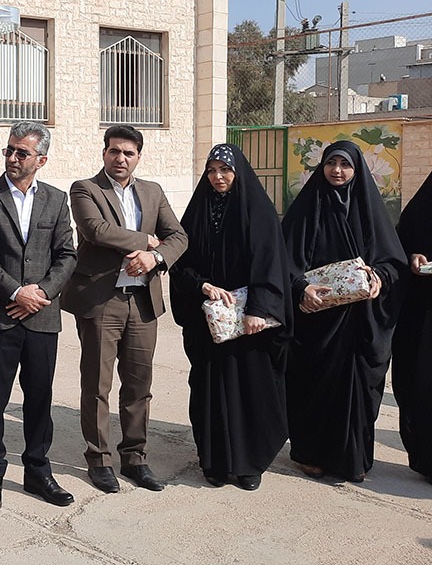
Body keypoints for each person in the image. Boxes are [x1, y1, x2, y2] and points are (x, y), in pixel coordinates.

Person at [61, 124, 188, 494]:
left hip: (142, 302)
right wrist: (145, 240)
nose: (120, 158)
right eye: (114, 151)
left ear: (138, 157)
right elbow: (96, 229)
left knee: (138, 385)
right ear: (104, 153)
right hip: (102, 301)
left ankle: (134, 458)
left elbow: (179, 236)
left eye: (128, 153)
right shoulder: (85, 189)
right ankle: (99, 460)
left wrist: (154, 258)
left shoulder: (153, 191)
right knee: (97, 385)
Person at [0, 122, 77, 510]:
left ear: (40, 160)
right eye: (9, 150)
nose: (12, 157)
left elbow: (67, 254)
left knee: (40, 398)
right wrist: (16, 291)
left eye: (21, 152)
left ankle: (37, 471)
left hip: (42, 317)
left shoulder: (56, 200)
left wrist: (41, 293)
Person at [281, 140, 405, 483]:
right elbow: (282, 260)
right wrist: (299, 288)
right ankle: (310, 454)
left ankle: (354, 458)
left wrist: (378, 277)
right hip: (317, 320)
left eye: (345, 165)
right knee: (312, 387)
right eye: (331, 163)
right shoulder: (307, 209)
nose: (337, 170)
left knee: (358, 390)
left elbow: (393, 263)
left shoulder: (370, 211)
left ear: (357, 170)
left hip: (359, 324)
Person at [169, 144, 290, 491]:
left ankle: (250, 464)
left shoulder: (258, 211)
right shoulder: (198, 211)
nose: (218, 177)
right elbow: (181, 262)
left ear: (239, 173)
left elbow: (271, 263)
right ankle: (215, 461)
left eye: (225, 170)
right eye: (211, 171)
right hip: (208, 321)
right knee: (208, 389)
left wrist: (259, 310)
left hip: (249, 325)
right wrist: (202, 285)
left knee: (251, 389)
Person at [394, 169, 432, 483]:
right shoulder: (421, 209)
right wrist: (412, 256)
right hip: (422, 315)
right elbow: (397, 244)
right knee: (420, 384)